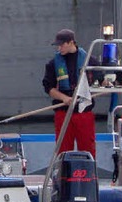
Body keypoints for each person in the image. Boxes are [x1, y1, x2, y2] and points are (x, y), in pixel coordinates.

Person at [42, 29, 101, 158]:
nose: (59, 48)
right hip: (63, 112)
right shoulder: (53, 64)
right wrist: (64, 98)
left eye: (62, 45)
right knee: (63, 150)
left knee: (87, 149)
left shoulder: (90, 61)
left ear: (71, 42)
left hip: (84, 112)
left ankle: (88, 175)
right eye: (57, 45)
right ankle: (63, 176)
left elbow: (101, 79)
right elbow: (48, 88)